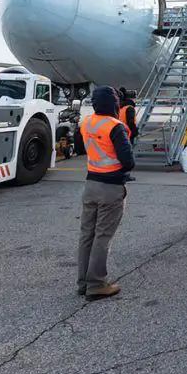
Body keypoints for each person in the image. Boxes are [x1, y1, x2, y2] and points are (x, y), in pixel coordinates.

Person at [77, 85, 135, 301]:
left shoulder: (87, 123)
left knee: (86, 235)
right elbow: (128, 162)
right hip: (111, 187)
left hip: (90, 183)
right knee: (103, 236)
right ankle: (97, 284)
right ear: (114, 103)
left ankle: (83, 282)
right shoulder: (115, 126)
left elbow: (80, 145)